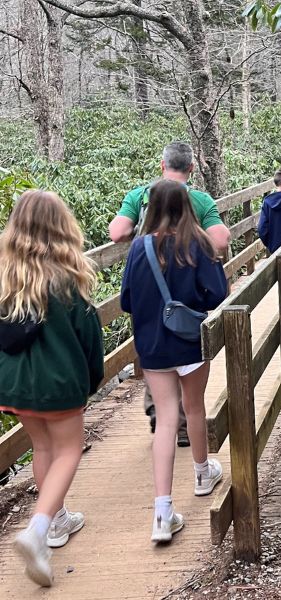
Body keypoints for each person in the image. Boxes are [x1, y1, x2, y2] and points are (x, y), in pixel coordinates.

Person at [0, 190, 104, 587]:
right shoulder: (68, 277)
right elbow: (89, 337)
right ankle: (38, 531)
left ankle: (56, 520)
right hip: (57, 382)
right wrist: (90, 380)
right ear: (61, 227)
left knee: (43, 449)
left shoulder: (7, 275)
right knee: (68, 450)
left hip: (14, 386)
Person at [120, 179, 227, 543]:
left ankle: (162, 513)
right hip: (190, 342)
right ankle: (202, 473)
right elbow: (218, 293)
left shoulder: (138, 248)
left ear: (150, 209)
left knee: (167, 420)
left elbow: (126, 300)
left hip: (152, 345)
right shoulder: (197, 244)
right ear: (187, 207)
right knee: (194, 408)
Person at [110, 141, 230, 445]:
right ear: (191, 168)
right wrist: (193, 242)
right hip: (185, 297)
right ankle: (185, 432)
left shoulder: (139, 196)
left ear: (162, 166)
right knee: (186, 361)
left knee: (159, 357)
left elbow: (117, 232)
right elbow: (221, 240)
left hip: (148, 294)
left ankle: (164, 418)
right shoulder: (200, 200)